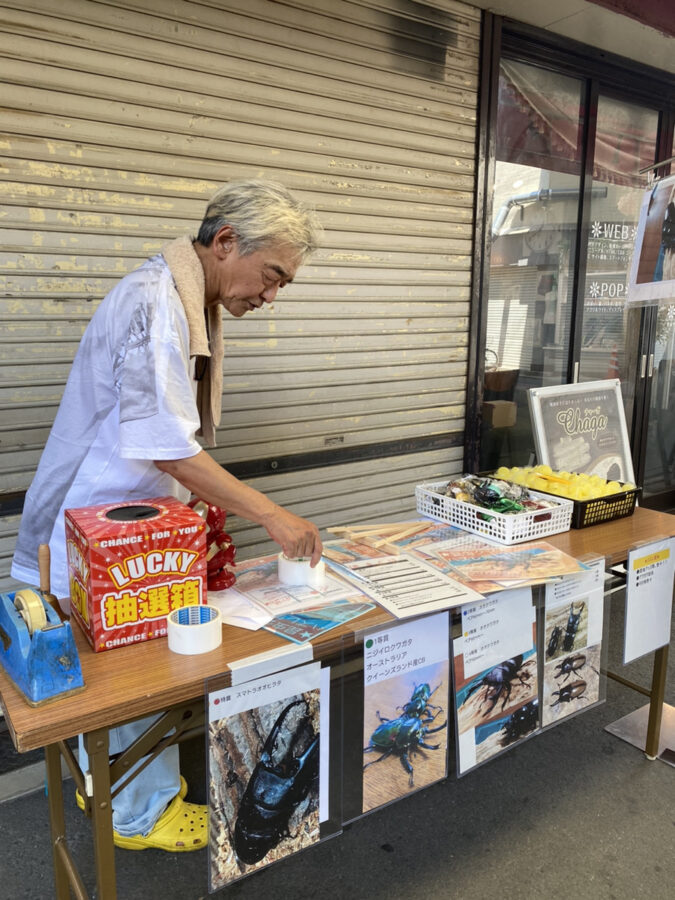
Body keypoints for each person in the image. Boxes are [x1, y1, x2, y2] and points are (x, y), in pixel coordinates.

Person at [11, 180, 324, 851]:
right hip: (95, 528)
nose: (270, 297)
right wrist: (271, 514)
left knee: (126, 662)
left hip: (131, 522)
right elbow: (165, 444)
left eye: (282, 286)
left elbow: (168, 444)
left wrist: (199, 511)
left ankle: (115, 792)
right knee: (126, 675)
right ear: (224, 242)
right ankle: (138, 816)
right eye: (271, 276)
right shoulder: (158, 300)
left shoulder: (185, 300)